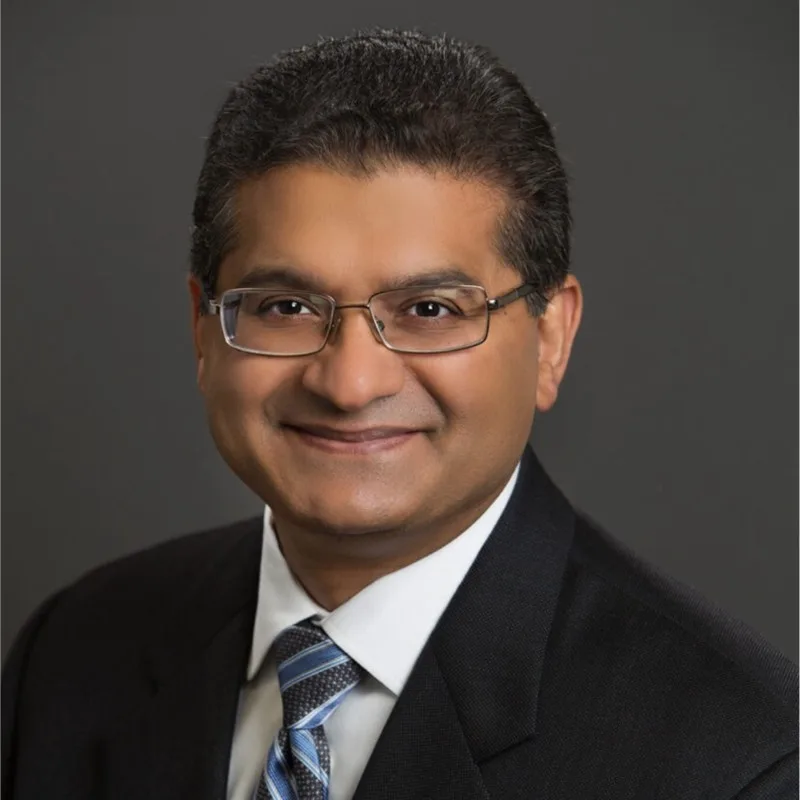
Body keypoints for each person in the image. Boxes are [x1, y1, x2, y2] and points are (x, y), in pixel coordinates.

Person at [2, 27, 796, 800]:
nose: (349, 383)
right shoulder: (70, 655)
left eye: (430, 309)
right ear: (203, 330)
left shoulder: (738, 757)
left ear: (550, 338)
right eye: (285, 305)